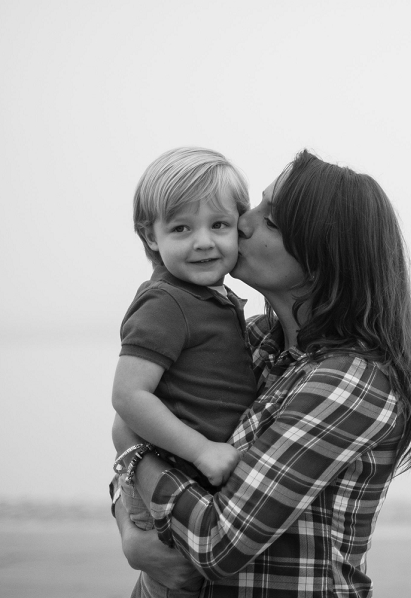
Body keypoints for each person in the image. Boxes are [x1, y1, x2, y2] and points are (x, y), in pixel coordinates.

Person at [112, 149, 411, 598]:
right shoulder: (254, 341)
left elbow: (218, 543)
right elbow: (142, 427)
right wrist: (133, 532)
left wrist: (133, 454)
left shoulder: (349, 381)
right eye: (254, 204)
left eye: (270, 220)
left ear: (320, 258)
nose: (242, 221)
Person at [112, 147, 259, 597]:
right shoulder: (166, 302)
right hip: (175, 477)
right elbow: (129, 395)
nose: (203, 242)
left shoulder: (211, 299)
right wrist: (201, 450)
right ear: (151, 237)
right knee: (173, 583)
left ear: (239, 226)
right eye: (181, 228)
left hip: (189, 483)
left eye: (219, 225)